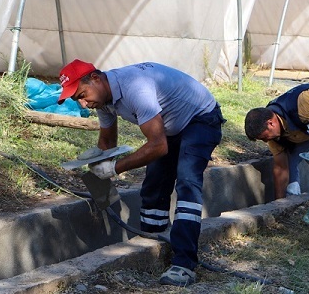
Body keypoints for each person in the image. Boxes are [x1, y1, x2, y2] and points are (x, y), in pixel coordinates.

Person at [57, 59, 224, 287]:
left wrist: (115, 168)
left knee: (186, 181)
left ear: (96, 78)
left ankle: (184, 264)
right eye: (78, 99)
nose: (83, 104)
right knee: (154, 185)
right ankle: (154, 241)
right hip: (170, 125)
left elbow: (158, 146)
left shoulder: (135, 88)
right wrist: (95, 168)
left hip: (200, 118)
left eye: (82, 95)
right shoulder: (104, 99)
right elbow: (107, 142)